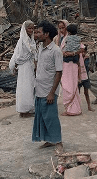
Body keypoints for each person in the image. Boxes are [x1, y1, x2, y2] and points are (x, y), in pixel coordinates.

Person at [32, 20, 63, 154]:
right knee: (42, 116)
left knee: (51, 117)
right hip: (39, 89)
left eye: (38, 32)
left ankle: (59, 142)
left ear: (46, 34)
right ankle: (50, 140)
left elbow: (59, 72)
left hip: (48, 91)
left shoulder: (56, 51)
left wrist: (52, 92)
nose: (36, 34)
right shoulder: (40, 49)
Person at [9, 20, 36, 118]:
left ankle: (28, 109)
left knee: (29, 87)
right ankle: (24, 110)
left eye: (33, 28)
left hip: (29, 66)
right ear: (25, 29)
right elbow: (18, 56)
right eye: (29, 28)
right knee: (24, 88)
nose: (31, 30)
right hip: (24, 67)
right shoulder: (22, 41)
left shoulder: (30, 40)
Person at [54, 20, 82, 116]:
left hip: (71, 64)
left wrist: (72, 53)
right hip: (63, 64)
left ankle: (72, 109)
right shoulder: (58, 38)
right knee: (66, 85)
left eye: (63, 28)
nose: (61, 30)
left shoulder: (71, 38)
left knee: (70, 85)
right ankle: (72, 108)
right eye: (60, 28)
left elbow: (82, 49)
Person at [78, 44, 94, 111]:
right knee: (78, 93)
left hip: (85, 77)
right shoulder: (78, 58)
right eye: (82, 52)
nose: (83, 53)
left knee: (86, 93)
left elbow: (89, 67)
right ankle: (78, 107)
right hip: (79, 77)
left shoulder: (86, 59)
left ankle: (89, 106)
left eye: (84, 52)